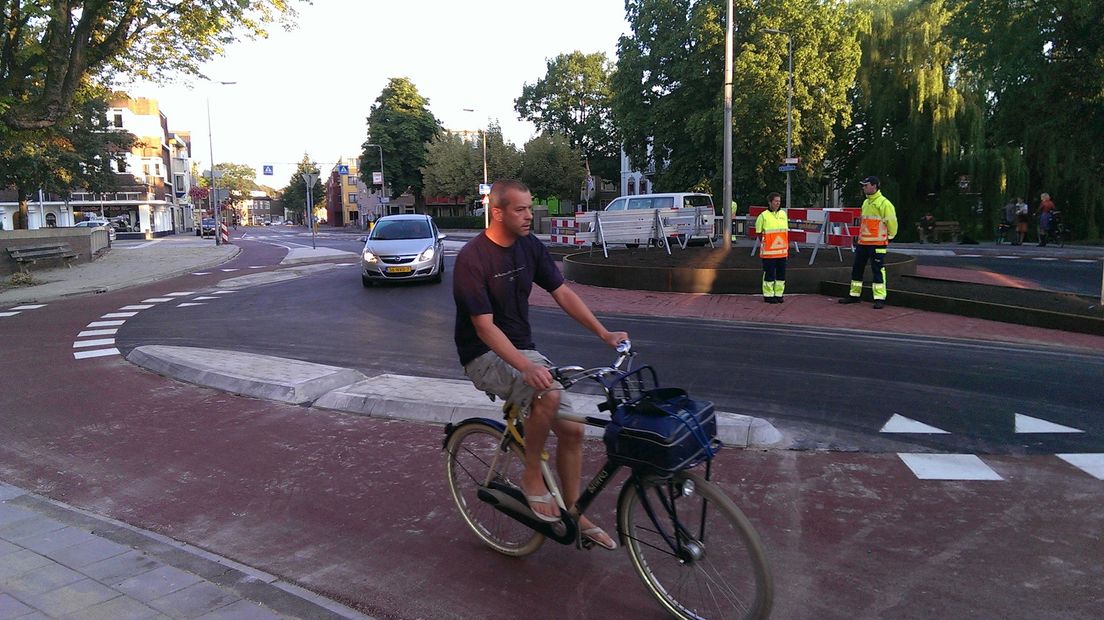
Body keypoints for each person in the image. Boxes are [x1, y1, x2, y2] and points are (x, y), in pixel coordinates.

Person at [453, 179, 627, 551]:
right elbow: (484, 328)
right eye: (521, 209)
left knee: (573, 430)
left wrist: (604, 333)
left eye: (530, 208)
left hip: (523, 351)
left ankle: (574, 512)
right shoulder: (473, 259)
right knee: (547, 392)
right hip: (483, 356)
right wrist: (527, 368)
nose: (530, 215)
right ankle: (532, 477)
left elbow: (562, 291)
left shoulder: (529, 246)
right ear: (497, 212)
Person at [840, 175, 897, 309]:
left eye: (866, 185)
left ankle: (879, 298)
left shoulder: (884, 203)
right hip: (864, 243)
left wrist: (891, 236)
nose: (864, 187)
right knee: (857, 269)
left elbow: (892, 221)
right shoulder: (866, 203)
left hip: (878, 243)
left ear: (874, 186)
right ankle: (854, 295)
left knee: (878, 270)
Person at [755, 192, 788, 303]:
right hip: (769, 252)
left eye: (779, 201)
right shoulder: (763, 216)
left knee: (781, 275)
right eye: (776, 201)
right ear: (770, 202)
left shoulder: (783, 214)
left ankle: (779, 294)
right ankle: (768, 295)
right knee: (769, 274)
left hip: (782, 252)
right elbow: (759, 233)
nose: (778, 203)